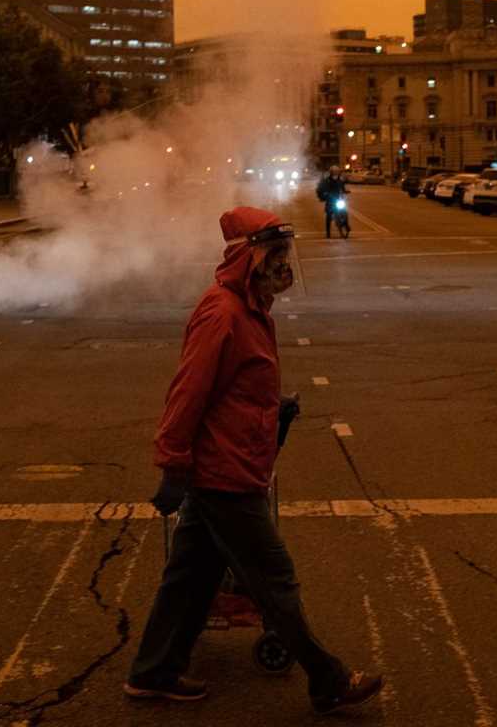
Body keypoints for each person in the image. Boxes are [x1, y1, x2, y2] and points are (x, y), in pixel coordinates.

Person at [125, 206, 383, 715]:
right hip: (225, 473)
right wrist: (173, 463)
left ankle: (153, 671)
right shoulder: (223, 313)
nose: (285, 265)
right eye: (276, 255)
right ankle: (326, 678)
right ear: (247, 258)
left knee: (191, 579)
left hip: (232, 463)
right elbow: (189, 392)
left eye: (287, 254)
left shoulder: (250, 308)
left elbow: (233, 388)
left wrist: (272, 408)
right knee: (274, 577)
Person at [315, 165, 348, 239]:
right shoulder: (327, 180)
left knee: (345, 212)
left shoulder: (340, 180)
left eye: (337, 172)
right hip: (330, 200)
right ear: (331, 172)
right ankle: (328, 232)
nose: (336, 173)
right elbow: (322, 188)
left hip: (339, 200)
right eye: (334, 172)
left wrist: (345, 191)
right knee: (329, 216)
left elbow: (342, 188)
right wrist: (325, 193)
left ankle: (346, 226)